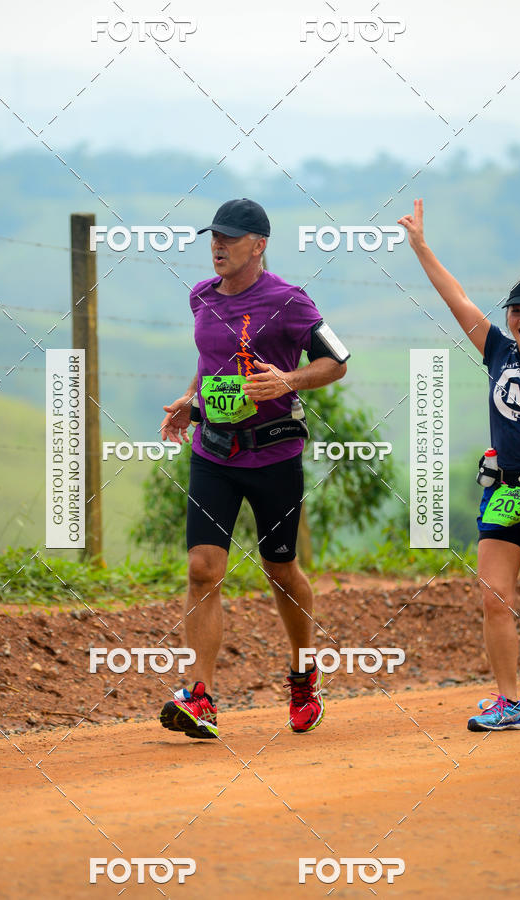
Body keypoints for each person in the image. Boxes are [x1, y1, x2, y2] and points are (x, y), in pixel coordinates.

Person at [158, 198, 348, 739]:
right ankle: (199, 696)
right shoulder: (200, 297)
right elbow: (210, 361)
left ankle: (304, 671)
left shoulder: (289, 302)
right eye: (212, 237)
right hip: (214, 452)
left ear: (258, 244)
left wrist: (288, 381)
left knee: (280, 571)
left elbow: (336, 360)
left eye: (229, 238)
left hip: (275, 455)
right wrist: (190, 402)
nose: (216, 246)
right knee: (202, 568)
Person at [399, 198, 520, 732]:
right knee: (493, 599)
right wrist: (420, 247)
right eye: (517, 311)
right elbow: (454, 297)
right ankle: (509, 703)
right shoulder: (499, 352)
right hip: (504, 494)